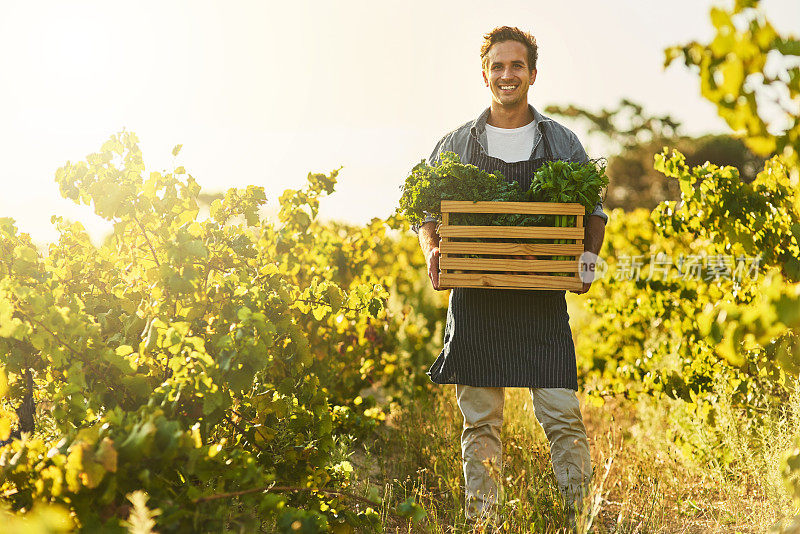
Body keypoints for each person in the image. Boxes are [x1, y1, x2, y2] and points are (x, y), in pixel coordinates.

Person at [412, 26, 608, 525]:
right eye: (497, 66)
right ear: (485, 74)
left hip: (541, 301)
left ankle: (578, 516)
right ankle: (484, 522)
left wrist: (587, 256)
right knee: (480, 424)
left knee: (562, 415)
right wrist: (434, 250)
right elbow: (425, 213)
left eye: (516, 66)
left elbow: (594, 210)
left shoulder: (561, 141)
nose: (507, 75)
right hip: (476, 302)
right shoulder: (456, 143)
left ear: (532, 74)